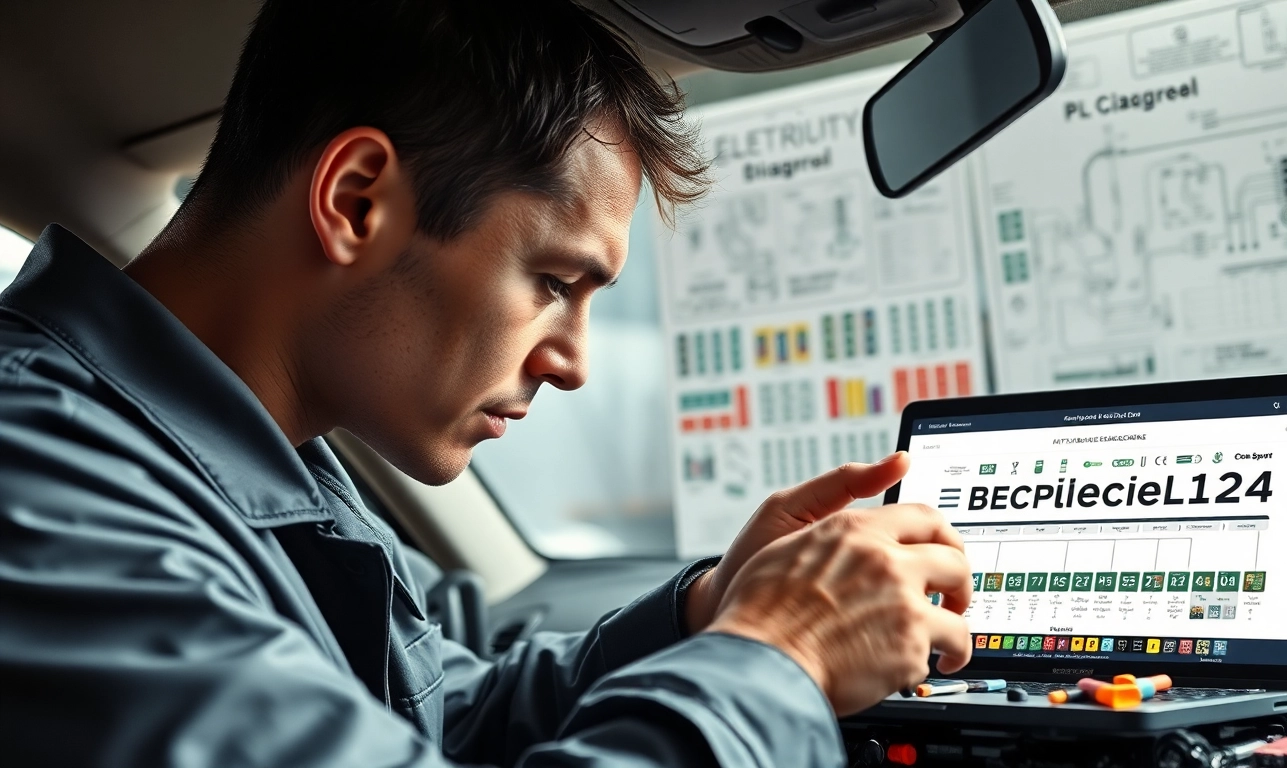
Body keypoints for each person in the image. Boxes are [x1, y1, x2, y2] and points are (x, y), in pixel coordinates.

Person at [0, 1, 972, 766]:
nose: (574, 362)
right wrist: (779, 656)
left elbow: (443, 717)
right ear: (355, 201)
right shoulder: (41, 490)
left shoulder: (255, 472)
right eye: (554, 283)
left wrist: (711, 612)